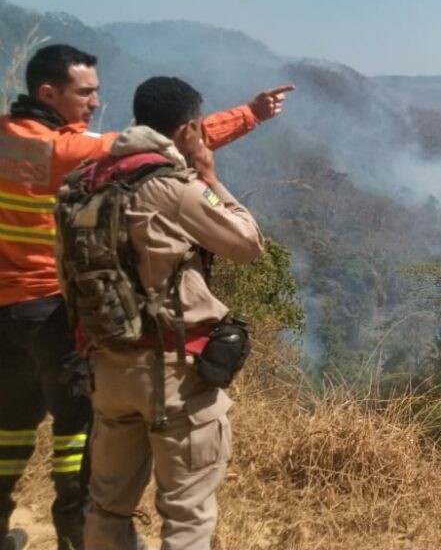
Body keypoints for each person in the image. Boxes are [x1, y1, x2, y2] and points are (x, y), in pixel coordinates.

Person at [0, 44, 292, 550]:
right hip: (55, 315)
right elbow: (159, 152)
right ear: (48, 93)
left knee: (11, 427)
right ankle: (70, 534)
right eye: (85, 92)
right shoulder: (72, 155)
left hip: (11, 312)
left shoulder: (53, 162)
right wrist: (242, 122)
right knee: (79, 435)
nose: (95, 101)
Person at [66, 76, 264, 550]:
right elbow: (248, 244)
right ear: (186, 131)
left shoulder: (82, 182)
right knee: (187, 515)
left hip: (107, 366)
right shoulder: (172, 188)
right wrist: (211, 180)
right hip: (172, 374)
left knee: (107, 506)